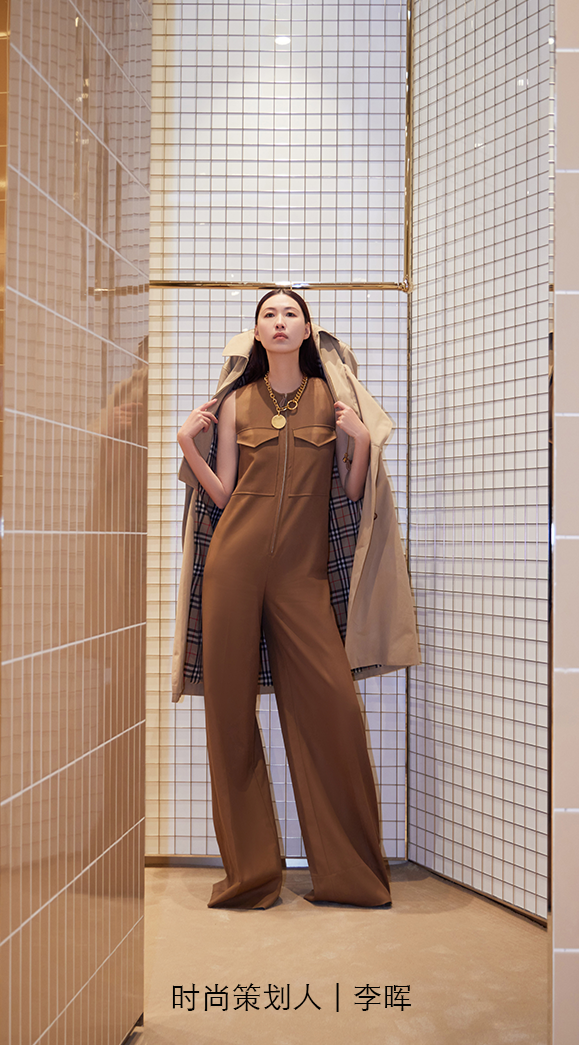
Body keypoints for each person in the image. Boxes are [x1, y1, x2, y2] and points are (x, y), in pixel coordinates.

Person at [176, 289, 418, 909]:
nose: (280, 322)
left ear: (308, 329)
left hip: (301, 578)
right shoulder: (235, 403)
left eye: (290, 314)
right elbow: (224, 494)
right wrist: (187, 445)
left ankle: (351, 876)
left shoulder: (330, 399)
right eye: (269, 315)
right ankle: (251, 877)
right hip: (232, 567)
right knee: (229, 719)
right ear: (256, 333)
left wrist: (362, 442)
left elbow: (351, 491)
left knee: (333, 710)